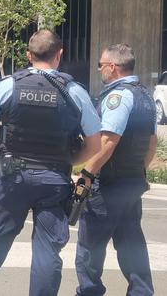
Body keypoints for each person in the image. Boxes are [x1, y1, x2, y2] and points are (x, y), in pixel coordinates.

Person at [0, 29, 101, 296]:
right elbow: (95, 144)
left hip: (12, 179)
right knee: (47, 251)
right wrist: (68, 160)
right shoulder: (74, 91)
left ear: (28, 55)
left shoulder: (8, 85)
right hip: (54, 181)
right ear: (59, 55)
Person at [75, 44, 156, 296]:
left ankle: (89, 292)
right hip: (131, 183)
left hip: (108, 185)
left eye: (101, 65)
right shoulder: (145, 96)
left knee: (90, 248)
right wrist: (137, 171)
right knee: (131, 244)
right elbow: (152, 142)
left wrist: (87, 174)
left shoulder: (117, 96)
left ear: (112, 67)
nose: (99, 69)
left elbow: (108, 140)